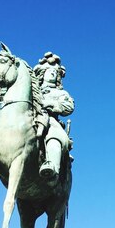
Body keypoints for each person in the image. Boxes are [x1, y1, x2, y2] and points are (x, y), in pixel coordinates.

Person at [34, 52, 75, 181]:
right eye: (49, 70)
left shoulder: (61, 93)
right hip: (31, 117)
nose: (52, 73)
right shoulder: (32, 89)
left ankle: (52, 168)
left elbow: (69, 107)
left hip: (51, 120)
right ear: (42, 73)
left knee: (54, 136)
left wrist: (51, 104)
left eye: (54, 71)